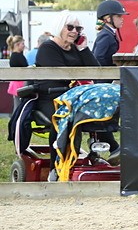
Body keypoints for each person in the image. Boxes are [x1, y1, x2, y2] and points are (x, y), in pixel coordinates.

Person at [28, 13, 100, 165]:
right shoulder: (48, 48)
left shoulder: (75, 49)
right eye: (70, 27)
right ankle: (57, 164)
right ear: (60, 27)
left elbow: (97, 70)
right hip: (51, 97)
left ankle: (106, 150)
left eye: (78, 28)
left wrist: (83, 49)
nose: (75, 31)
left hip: (74, 97)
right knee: (63, 118)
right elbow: (64, 75)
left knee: (99, 112)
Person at [92, 0, 127, 66]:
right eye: (119, 16)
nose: (122, 19)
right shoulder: (106, 35)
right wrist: (108, 70)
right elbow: (98, 56)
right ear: (108, 19)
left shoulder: (110, 33)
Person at [6, 35, 27, 143]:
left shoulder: (14, 56)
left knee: (17, 108)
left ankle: (14, 129)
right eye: (22, 44)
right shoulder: (18, 56)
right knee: (18, 109)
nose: (24, 46)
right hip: (19, 85)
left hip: (16, 84)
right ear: (17, 45)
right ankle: (15, 129)